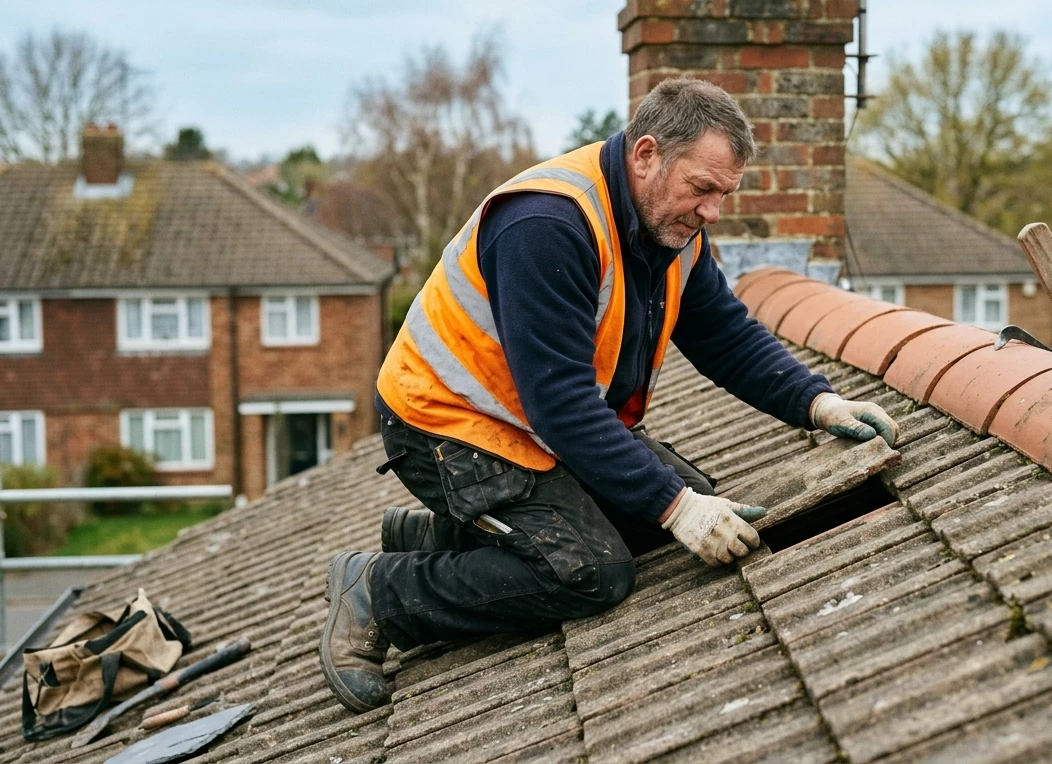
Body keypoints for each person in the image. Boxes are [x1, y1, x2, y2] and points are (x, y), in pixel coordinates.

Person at [319, 78, 900, 713]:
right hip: (449, 426)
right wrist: (674, 508)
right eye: (702, 190)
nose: (712, 212)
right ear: (646, 155)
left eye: (724, 195)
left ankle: (440, 537)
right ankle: (381, 593)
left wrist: (819, 403)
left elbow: (724, 334)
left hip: (532, 421)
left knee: (687, 508)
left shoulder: (671, 228)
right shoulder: (548, 225)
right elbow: (561, 404)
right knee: (591, 570)